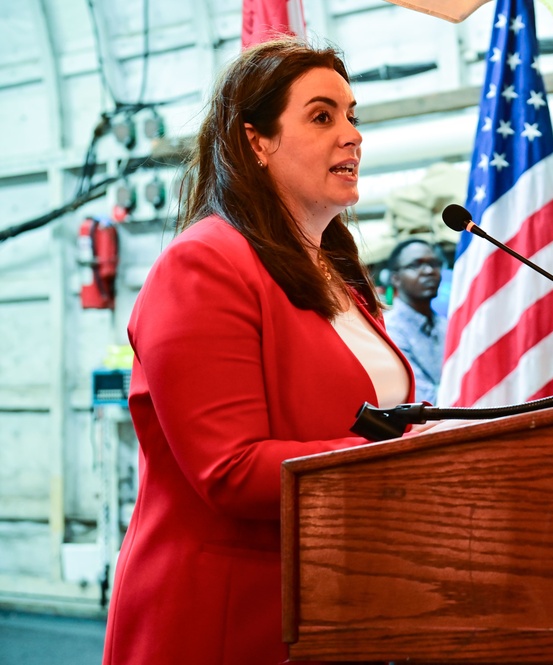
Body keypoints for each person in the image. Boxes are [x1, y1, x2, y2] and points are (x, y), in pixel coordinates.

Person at [102, 38, 415, 665]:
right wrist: (401, 456)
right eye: (322, 116)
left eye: (354, 115)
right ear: (257, 141)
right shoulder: (204, 264)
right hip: (229, 616)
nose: (352, 134)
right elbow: (232, 469)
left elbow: (370, 418)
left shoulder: (337, 273)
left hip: (338, 603)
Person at [383, 238, 447, 403]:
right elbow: (423, 401)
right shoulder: (389, 330)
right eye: (416, 265)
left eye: (434, 264)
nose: (429, 271)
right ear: (395, 278)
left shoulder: (446, 325)